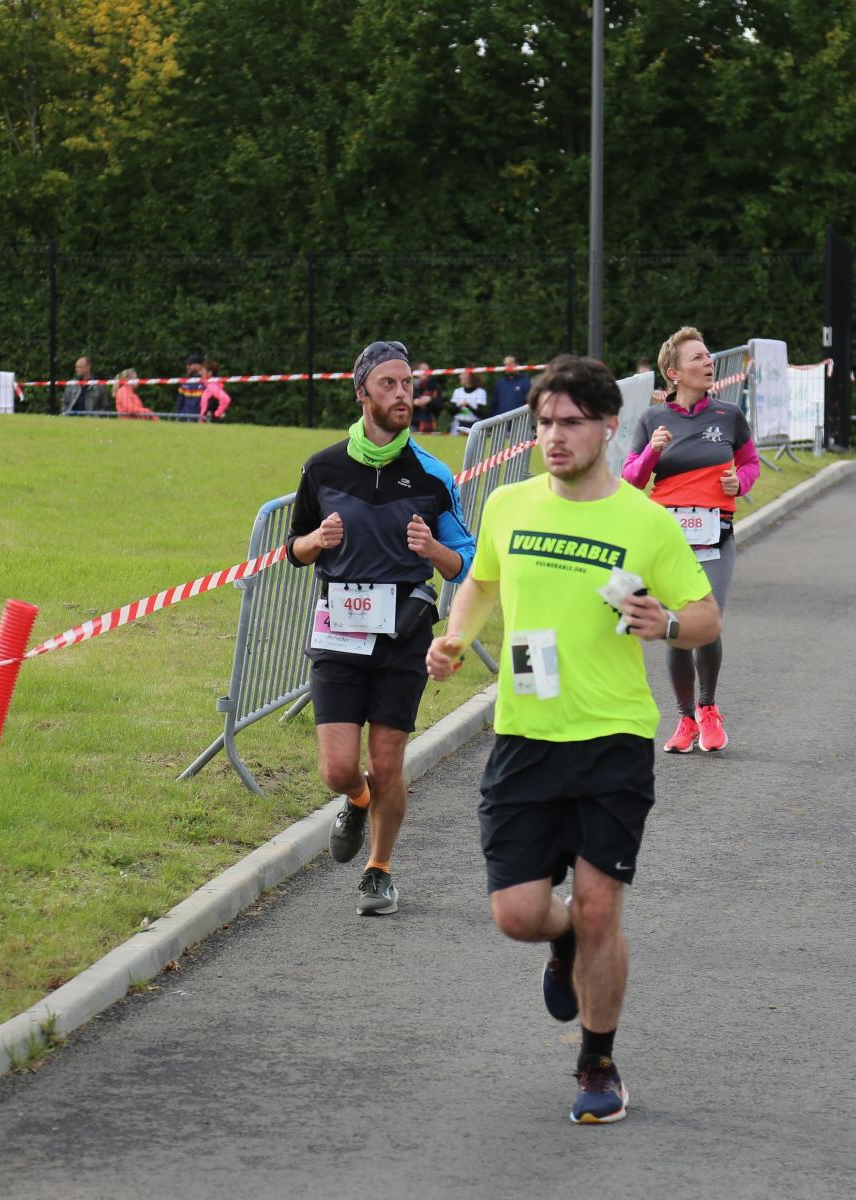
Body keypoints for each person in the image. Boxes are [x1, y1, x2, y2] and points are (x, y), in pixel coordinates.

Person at [425, 355, 720, 1126]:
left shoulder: (645, 522)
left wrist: (669, 624)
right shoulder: (509, 505)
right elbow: (481, 581)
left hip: (612, 738)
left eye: (570, 423)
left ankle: (597, 1062)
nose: (554, 437)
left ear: (608, 426)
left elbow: (706, 615)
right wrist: (455, 638)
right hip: (525, 736)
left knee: (598, 908)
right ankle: (561, 946)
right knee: (519, 914)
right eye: (544, 424)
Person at [288, 340, 475, 916]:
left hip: (403, 633)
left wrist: (433, 548)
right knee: (337, 769)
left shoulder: (432, 473)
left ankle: (379, 870)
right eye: (389, 384)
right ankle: (358, 798)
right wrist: (316, 540)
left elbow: (466, 561)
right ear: (362, 393)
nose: (402, 394)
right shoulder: (322, 468)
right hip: (339, 633)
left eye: (407, 384)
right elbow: (293, 548)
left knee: (389, 762)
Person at [622, 325, 755, 753]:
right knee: (675, 627)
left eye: (708, 355)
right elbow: (631, 479)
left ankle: (708, 708)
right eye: (697, 357)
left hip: (715, 537)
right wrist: (652, 451)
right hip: (667, 541)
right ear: (674, 373)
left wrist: (740, 482)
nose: (708, 362)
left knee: (707, 621)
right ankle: (684, 720)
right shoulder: (652, 420)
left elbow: (750, 463)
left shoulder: (729, 416)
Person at [449, 368, 487, 434]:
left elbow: (481, 414)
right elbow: (451, 412)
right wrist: (459, 406)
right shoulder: (457, 391)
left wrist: (468, 405)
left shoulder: (480, 392)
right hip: (458, 425)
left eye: (463, 374)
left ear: (470, 376)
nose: (460, 376)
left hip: (473, 425)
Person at [411, 361, 441, 433]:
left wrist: (430, 400)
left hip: (430, 422)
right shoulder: (409, 386)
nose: (425, 372)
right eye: (422, 370)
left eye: (427, 370)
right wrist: (413, 403)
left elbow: (440, 406)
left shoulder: (435, 386)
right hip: (412, 423)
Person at [176, 354, 204, 421]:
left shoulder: (205, 382)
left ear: (199, 366)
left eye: (190, 364)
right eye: (187, 364)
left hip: (199, 420)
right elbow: (179, 402)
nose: (187, 367)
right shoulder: (185, 382)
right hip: (184, 419)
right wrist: (178, 416)